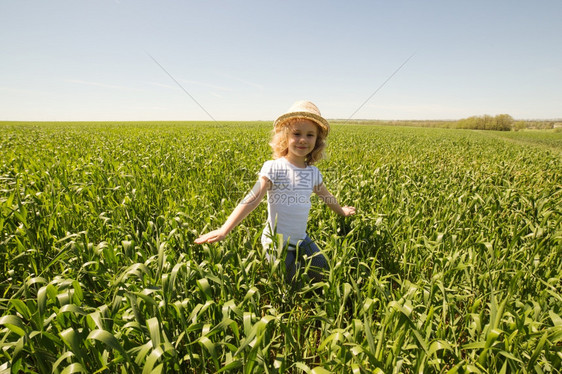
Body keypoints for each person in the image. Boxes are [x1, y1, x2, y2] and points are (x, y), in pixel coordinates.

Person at [194, 100, 356, 284]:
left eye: (310, 135)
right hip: (276, 244)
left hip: (301, 238)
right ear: (285, 137)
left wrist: (342, 211)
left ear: (317, 141)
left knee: (325, 273)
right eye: (297, 133)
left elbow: (327, 197)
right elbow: (253, 199)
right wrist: (225, 229)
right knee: (294, 284)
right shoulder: (274, 168)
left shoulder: (312, 173)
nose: (303, 139)